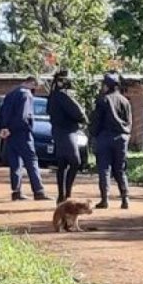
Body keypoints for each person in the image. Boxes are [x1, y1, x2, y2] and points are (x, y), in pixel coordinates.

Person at [0, 76, 49, 201]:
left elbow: (2, 112)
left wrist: (4, 128)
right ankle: (38, 191)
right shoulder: (26, 95)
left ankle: (16, 191)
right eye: (35, 86)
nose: (35, 90)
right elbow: (24, 116)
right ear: (32, 83)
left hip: (9, 134)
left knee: (15, 163)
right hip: (22, 133)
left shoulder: (11, 94)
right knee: (31, 161)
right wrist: (21, 128)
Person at [90, 72, 132, 209]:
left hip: (105, 138)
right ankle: (125, 198)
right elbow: (129, 122)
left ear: (107, 85)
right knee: (120, 169)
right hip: (121, 138)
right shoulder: (125, 101)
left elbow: (96, 121)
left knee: (104, 169)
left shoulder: (103, 100)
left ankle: (105, 199)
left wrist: (93, 135)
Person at [47, 70, 88, 203]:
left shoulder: (53, 96)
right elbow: (77, 112)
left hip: (58, 132)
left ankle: (62, 195)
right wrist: (83, 120)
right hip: (66, 132)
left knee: (62, 164)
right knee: (75, 162)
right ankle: (67, 193)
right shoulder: (62, 96)